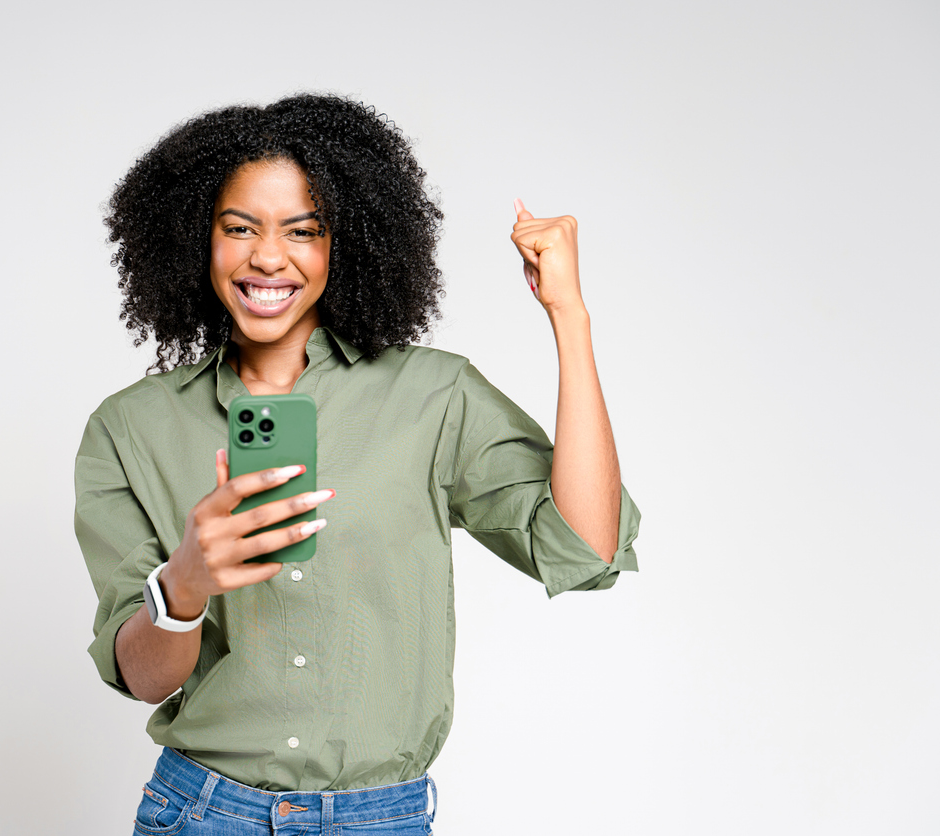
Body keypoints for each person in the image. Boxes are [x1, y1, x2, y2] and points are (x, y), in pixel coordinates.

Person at [75, 93, 641, 835]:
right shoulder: (128, 429)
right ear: (194, 239)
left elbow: (586, 547)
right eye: (238, 228)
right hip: (203, 813)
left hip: (381, 818)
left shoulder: (433, 396)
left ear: (348, 242)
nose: (268, 256)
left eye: (302, 231)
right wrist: (184, 583)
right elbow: (146, 678)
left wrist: (570, 316)